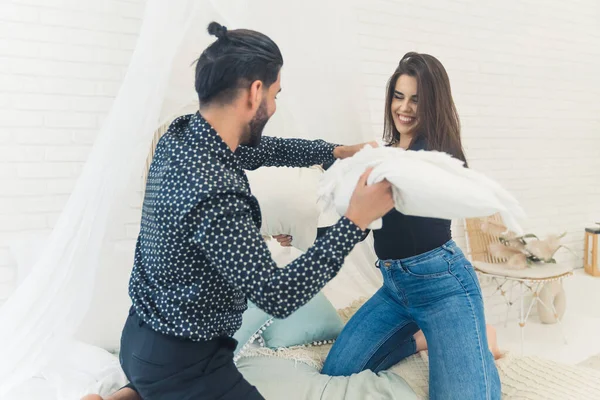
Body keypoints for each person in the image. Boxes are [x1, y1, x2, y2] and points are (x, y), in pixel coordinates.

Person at [81, 21, 393, 400]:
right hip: (185, 364)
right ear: (255, 92)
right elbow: (278, 296)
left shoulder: (180, 136)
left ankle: (130, 393)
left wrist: (333, 151)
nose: (275, 106)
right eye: (276, 94)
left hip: (138, 339)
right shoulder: (217, 191)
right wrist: (355, 221)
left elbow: (266, 150)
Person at [313, 52, 502, 400]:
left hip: (444, 290)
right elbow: (360, 221)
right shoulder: (385, 156)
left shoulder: (440, 156)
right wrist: (303, 234)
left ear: (433, 104)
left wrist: (358, 168)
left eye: (416, 99)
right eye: (398, 96)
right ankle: (421, 339)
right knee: (337, 370)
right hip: (396, 289)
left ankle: (478, 340)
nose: (404, 108)